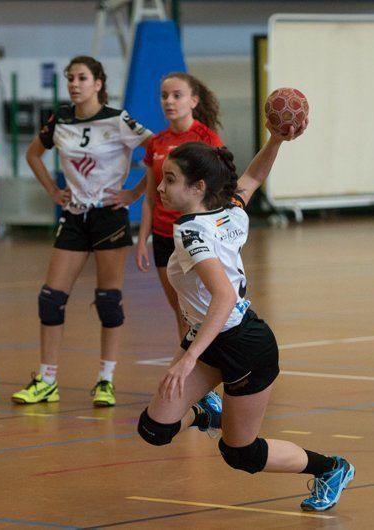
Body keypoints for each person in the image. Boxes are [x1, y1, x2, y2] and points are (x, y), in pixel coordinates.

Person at [135, 124, 355, 512]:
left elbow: (221, 296)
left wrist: (188, 358)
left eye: (170, 180)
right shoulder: (229, 211)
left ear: (198, 187)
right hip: (213, 337)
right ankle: (204, 412)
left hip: (244, 347)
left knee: (241, 453)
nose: (161, 189)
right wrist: (276, 139)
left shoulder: (190, 231)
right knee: (154, 429)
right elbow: (253, 176)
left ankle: (331, 468)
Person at [10, 56, 150, 407]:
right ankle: (47, 379)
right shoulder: (60, 118)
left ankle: (106, 380)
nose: (74, 84)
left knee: (108, 301)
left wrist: (133, 192)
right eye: (70, 78)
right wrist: (52, 192)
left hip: (109, 217)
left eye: (82, 78)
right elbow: (33, 155)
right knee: (51, 299)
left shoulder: (118, 120)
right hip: (74, 215)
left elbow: (158, 154)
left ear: (98, 83)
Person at [136, 73, 224, 341]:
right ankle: (195, 375)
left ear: (194, 100)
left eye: (177, 95)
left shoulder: (207, 139)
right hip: (164, 236)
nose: (169, 101)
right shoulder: (156, 143)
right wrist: (142, 240)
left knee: (204, 308)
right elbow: (151, 196)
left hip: (197, 233)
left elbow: (221, 191)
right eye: (164, 96)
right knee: (181, 312)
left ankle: (209, 365)